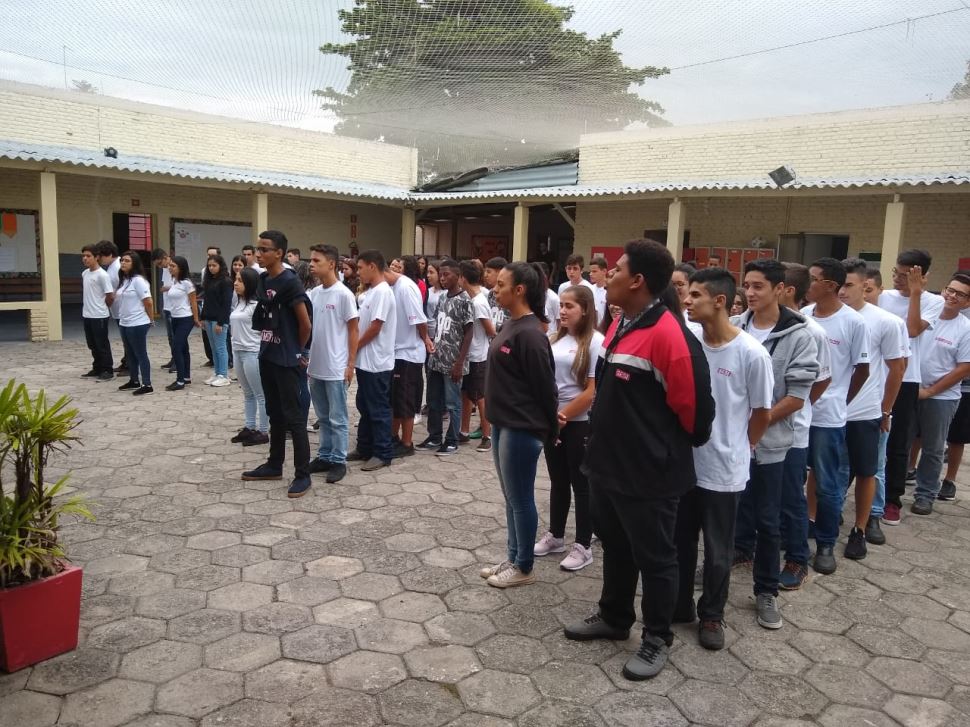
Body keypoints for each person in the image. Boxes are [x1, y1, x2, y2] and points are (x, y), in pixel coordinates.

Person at [564, 240, 714, 682]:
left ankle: (657, 638)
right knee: (616, 545)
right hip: (608, 467)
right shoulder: (623, 324)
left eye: (616, 270)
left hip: (650, 474)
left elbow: (697, 417)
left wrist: (655, 448)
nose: (607, 274)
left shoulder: (672, 337)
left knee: (657, 557)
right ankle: (614, 617)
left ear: (638, 281)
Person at [678, 268, 773, 648]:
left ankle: (712, 616)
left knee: (718, 552)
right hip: (684, 466)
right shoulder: (688, 344)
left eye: (695, 295)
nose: (687, 300)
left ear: (719, 301)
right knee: (680, 544)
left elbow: (762, 413)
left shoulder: (751, 353)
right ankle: (679, 605)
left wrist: (740, 449)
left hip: (724, 470)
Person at [730, 259, 818, 625]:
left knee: (768, 520)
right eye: (747, 285)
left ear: (780, 289)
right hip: (730, 443)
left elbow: (797, 396)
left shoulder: (801, 334)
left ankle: (766, 590)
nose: (750, 293)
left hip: (770, 445)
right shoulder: (734, 327)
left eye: (759, 286)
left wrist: (755, 424)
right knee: (728, 513)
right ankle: (722, 565)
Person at [479, 261, 559, 588]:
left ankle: (524, 566)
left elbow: (546, 389)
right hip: (502, 424)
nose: (494, 290)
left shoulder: (531, 333)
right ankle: (513, 556)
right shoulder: (511, 324)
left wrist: (549, 430)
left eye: (500, 285)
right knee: (510, 497)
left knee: (521, 498)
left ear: (520, 290)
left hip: (521, 428)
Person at [801, 257, 869, 575]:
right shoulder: (801, 317)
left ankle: (826, 542)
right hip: (797, 413)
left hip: (828, 417)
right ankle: (798, 532)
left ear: (829, 285)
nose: (806, 284)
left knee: (828, 483)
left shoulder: (853, 322)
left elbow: (862, 368)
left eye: (812, 278)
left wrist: (840, 398)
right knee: (793, 480)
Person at [838, 259, 908, 549]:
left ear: (865, 286)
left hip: (865, 412)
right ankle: (824, 520)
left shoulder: (886, 322)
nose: (842, 291)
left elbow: (897, 369)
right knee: (829, 471)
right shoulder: (815, 316)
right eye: (838, 284)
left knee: (870, 470)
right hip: (829, 413)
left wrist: (885, 409)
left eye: (849, 285)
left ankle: (864, 525)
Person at [534, 284, 603, 571]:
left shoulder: (596, 342)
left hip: (579, 424)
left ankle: (583, 545)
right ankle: (557, 535)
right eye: (561, 305)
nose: (562, 311)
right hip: (554, 423)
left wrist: (562, 416)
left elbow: (592, 390)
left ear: (585, 310)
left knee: (581, 484)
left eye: (569, 306)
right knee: (558, 481)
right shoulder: (553, 339)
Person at [241, 230, 313, 498]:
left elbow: (305, 324)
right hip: (267, 355)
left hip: (286, 359)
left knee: (294, 418)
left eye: (264, 249)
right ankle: (274, 464)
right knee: (274, 414)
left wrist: (299, 351)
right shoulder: (262, 279)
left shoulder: (290, 282)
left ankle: (302, 475)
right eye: (258, 249)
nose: (259, 254)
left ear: (279, 253)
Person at [773, 263, 831, 590]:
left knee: (790, 499)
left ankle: (797, 558)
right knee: (751, 496)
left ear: (785, 289)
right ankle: (742, 548)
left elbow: (821, 381)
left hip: (792, 432)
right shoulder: (750, 325)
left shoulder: (811, 331)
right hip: (755, 431)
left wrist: (799, 404)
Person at [878, 250, 945, 525]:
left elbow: (913, 330)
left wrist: (915, 294)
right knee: (867, 435)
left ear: (922, 276)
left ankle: (892, 500)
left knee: (898, 441)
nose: (898, 279)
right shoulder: (884, 297)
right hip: (878, 374)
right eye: (896, 273)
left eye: (906, 276)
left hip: (906, 377)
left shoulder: (934, 301)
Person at [909, 269, 970, 514]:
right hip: (909, 389)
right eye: (950, 290)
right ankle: (893, 491)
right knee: (901, 441)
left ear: (967, 302)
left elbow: (964, 368)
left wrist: (930, 391)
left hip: (941, 397)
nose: (952, 296)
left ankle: (925, 494)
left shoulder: (965, 328)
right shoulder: (923, 316)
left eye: (961, 295)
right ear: (943, 290)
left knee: (934, 448)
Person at [307, 245, 359, 483]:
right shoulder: (314, 293)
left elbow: (353, 330)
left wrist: (350, 364)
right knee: (323, 416)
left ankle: (339, 460)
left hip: (336, 367)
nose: (311, 264)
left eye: (316, 260)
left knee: (338, 417)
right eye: (311, 260)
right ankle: (325, 455)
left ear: (331, 264)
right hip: (315, 366)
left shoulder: (343, 294)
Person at [419, 258, 474, 456]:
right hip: (437, 358)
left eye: (446, 275)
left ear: (458, 277)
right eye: (440, 274)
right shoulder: (442, 298)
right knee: (434, 400)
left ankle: (452, 440)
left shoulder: (465, 300)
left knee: (453, 403)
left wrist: (460, 363)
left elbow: (469, 333)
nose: (442, 278)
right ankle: (434, 436)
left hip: (453, 362)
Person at [350, 249, 397, 471]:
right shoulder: (370, 293)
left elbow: (376, 327)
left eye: (360, 267)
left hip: (377, 362)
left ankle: (382, 452)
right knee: (364, 405)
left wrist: (354, 346)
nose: (358, 272)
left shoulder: (382, 293)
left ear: (372, 266)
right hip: (365, 361)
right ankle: (364, 447)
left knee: (377, 408)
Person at [386, 256, 431, 458]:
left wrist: (426, 339)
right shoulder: (390, 287)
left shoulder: (406, 287)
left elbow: (419, 320)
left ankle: (407, 443)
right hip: (395, 352)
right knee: (395, 399)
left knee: (405, 400)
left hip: (409, 352)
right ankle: (393, 436)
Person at [228, 267, 268, 443]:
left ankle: (263, 431)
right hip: (237, 351)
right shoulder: (239, 302)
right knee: (247, 393)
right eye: (235, 280)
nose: (236, 283)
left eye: (240, 281)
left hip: (252, 352)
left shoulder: (256, 305)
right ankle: (249, 427)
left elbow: (265, 331)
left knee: (260, 394)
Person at [458, 260, 495, 452]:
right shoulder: (470, 299)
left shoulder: (479, 302)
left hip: (478, 356)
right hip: (468, 356)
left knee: (480, 396)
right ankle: (463, 431)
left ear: (463, 278)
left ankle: (487, 435)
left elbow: (491, 330)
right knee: (465, 393)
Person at [115, 251, 155, 395]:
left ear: (134, 264)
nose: (123, 263)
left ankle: (147, 383)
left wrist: (151, 320)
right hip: (125, 322)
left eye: (127, 261)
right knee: (130, 354)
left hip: (137, 322)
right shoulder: (125, 280)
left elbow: (148, 302)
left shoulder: (139, 280)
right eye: (122, 260)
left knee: (140, 353)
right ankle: (134, 380)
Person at [942, 307, 970, 500]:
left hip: (965, 386)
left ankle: (949, 480)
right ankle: (911, 469)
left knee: (957, 437)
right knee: (918, 432)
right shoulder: (939, 309)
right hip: (933, 382)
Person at [164, 256, 201, 391]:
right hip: (175, 318)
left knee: (177, 347)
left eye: (173, 266)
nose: (170, 268)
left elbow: (193, 302)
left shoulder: (187, 283)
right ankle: (186, 377)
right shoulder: (175, 281)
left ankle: (180, 381)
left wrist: (196, 319)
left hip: (186, 318)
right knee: (184, 347)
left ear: (181, 268)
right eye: (170, 266)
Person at [80, 244, 115, 380]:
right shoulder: (85, 273)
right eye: (83, 256)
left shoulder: (102, 275)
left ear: (97, 257)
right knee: (92, 343)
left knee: (101, 344)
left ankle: (107, 369)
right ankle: (97, 367)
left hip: (99, 315)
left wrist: (103, 307)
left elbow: (110, 295)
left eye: (88, 256)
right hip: (87, 314)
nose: (85, 259)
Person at [201, 255, 233, 387]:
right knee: (213, 347)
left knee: (221, 348)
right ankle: (217, 372)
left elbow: (226, 304)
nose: (211, 268)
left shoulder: (226, 281)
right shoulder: (209, 280)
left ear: (220, 266)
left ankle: (223, 375)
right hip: (208, 318)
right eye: (209, 266)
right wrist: (203, 317)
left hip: (218, 320)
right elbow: (206, 301)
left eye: (214, 265)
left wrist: (221, 322)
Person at [97, 240, 125, 374]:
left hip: (123, 308)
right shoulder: (111, 266)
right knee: (125, 338)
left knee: (128, 339)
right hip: (117, 308)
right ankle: (126, 362)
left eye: (101, 256)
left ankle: (130, 365)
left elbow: (124, 286)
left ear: (109, 254)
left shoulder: (119, 266)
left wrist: (112, 295)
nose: (99, 259)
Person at [152, 248, 176, 373]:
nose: (160, 266)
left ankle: (178, 361)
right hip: (167, 306)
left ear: (165, 257)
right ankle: (174, 358)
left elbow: (182, 284)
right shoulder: (164, 270)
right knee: (170, 336)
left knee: (176, 336)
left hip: (175, 308)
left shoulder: (175, 266)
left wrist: (167, 288)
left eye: (160, 263)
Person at [199, 244, 221, 369]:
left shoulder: (224, 276)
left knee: (220, 345)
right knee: (210, 342)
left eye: (213, 255)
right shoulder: (205, 272)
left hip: (218, 315)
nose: (210, 257)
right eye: (209, 255)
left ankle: (222, 370)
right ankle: (212, 361)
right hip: (207, 311)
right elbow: (205, 294)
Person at [485, 257, 509, 333]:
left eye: (489, 272)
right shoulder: (491, 294)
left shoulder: (510, 294)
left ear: (500, 272)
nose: (485, 275)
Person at [588, 256, 609, 325]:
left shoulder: (610, 290)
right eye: (590, 271)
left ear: (604, 271)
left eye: (594, 271)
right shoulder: (589, 289)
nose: (590, 274)